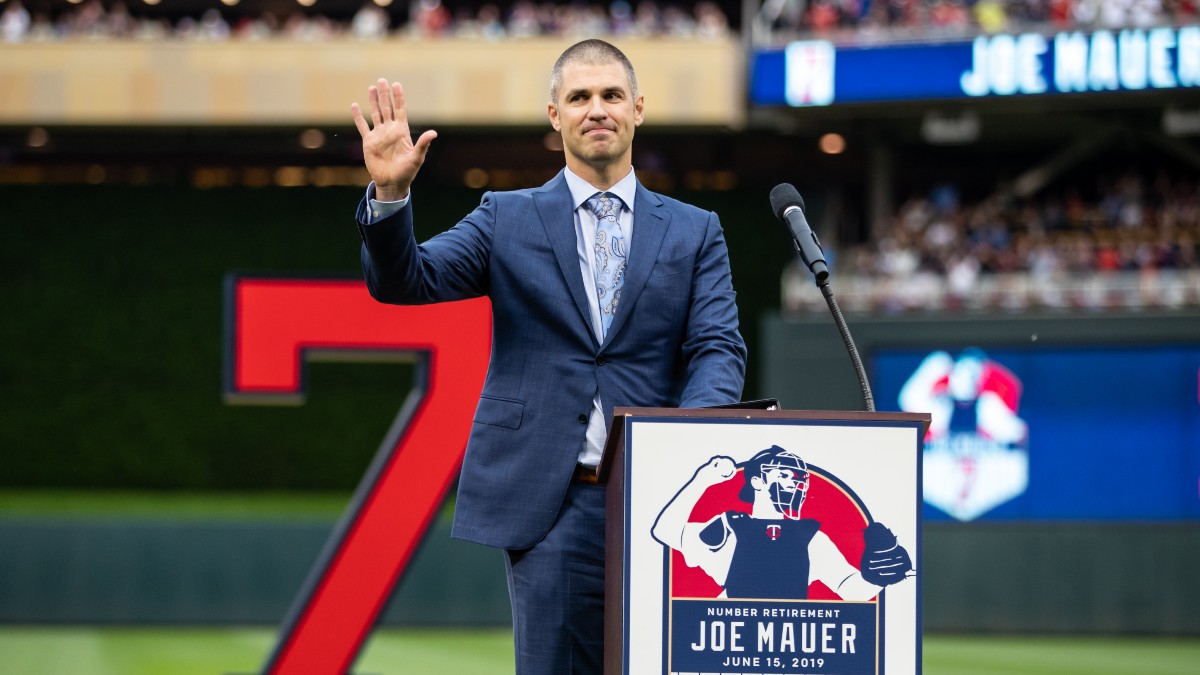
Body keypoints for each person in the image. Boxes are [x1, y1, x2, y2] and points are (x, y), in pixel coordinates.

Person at [350, 39, 747, 675]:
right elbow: (408, 282)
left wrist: (683, 442)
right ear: (554, 115)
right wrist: (390, 196)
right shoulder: (506, 217)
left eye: (612, 95)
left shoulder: (696, 230)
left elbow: (718, 349)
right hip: (551, 505)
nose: (598, 109)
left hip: (660, 502)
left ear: (638, 109)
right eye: (579, 97)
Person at [652, 446, 914, 600]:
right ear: (757, 481)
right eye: (784, 475)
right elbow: (664, 532)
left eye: (798, 478)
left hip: (788, 650)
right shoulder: (729, 527)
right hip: (730, 650)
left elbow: (848, 588)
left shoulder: (809, 536)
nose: (794, 482)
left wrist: (878, 577)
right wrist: (702, 480)